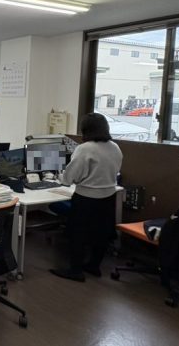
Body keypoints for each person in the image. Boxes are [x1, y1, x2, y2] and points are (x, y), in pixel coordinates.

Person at [50, 113, 123, 283]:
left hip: (87, 198)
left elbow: (70, 178)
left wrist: (61, 177)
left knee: (78, 234)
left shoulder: (85, 148)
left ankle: (75, 270)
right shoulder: (115, 147)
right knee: (101, 234)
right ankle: (94, 266)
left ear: (86, 129)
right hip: (108, 197)